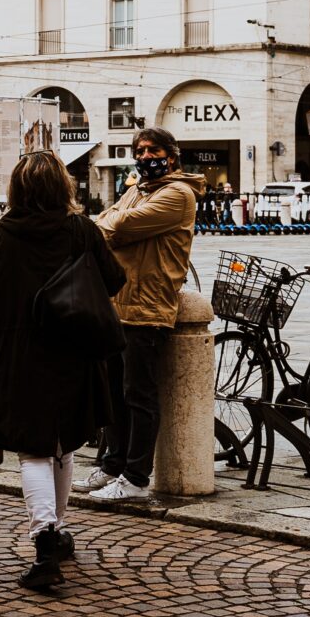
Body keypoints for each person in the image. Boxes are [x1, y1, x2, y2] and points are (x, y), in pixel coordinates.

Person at [0, 149, 124, 595]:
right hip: (74, 349)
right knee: (63, 444)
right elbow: (114, 279)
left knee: (32, 450)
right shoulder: (81, 230)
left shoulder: (3, 233)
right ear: (62, 188)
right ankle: (56, 531)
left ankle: (46, 539)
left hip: (18, 352)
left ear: (17, 189)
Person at [82, 125, 200, 505]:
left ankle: (136, 478)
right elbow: (105, 221)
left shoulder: (178, 195)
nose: (146, 157)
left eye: (154, 150)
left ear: (172, 154)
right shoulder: (136, 189)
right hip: (118, 302)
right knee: (114, 393)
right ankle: (113, 465)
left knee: (139, 395)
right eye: (141, 151)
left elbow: (121, 224)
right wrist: (110, 226)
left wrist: (110, 226)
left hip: (148, 306)